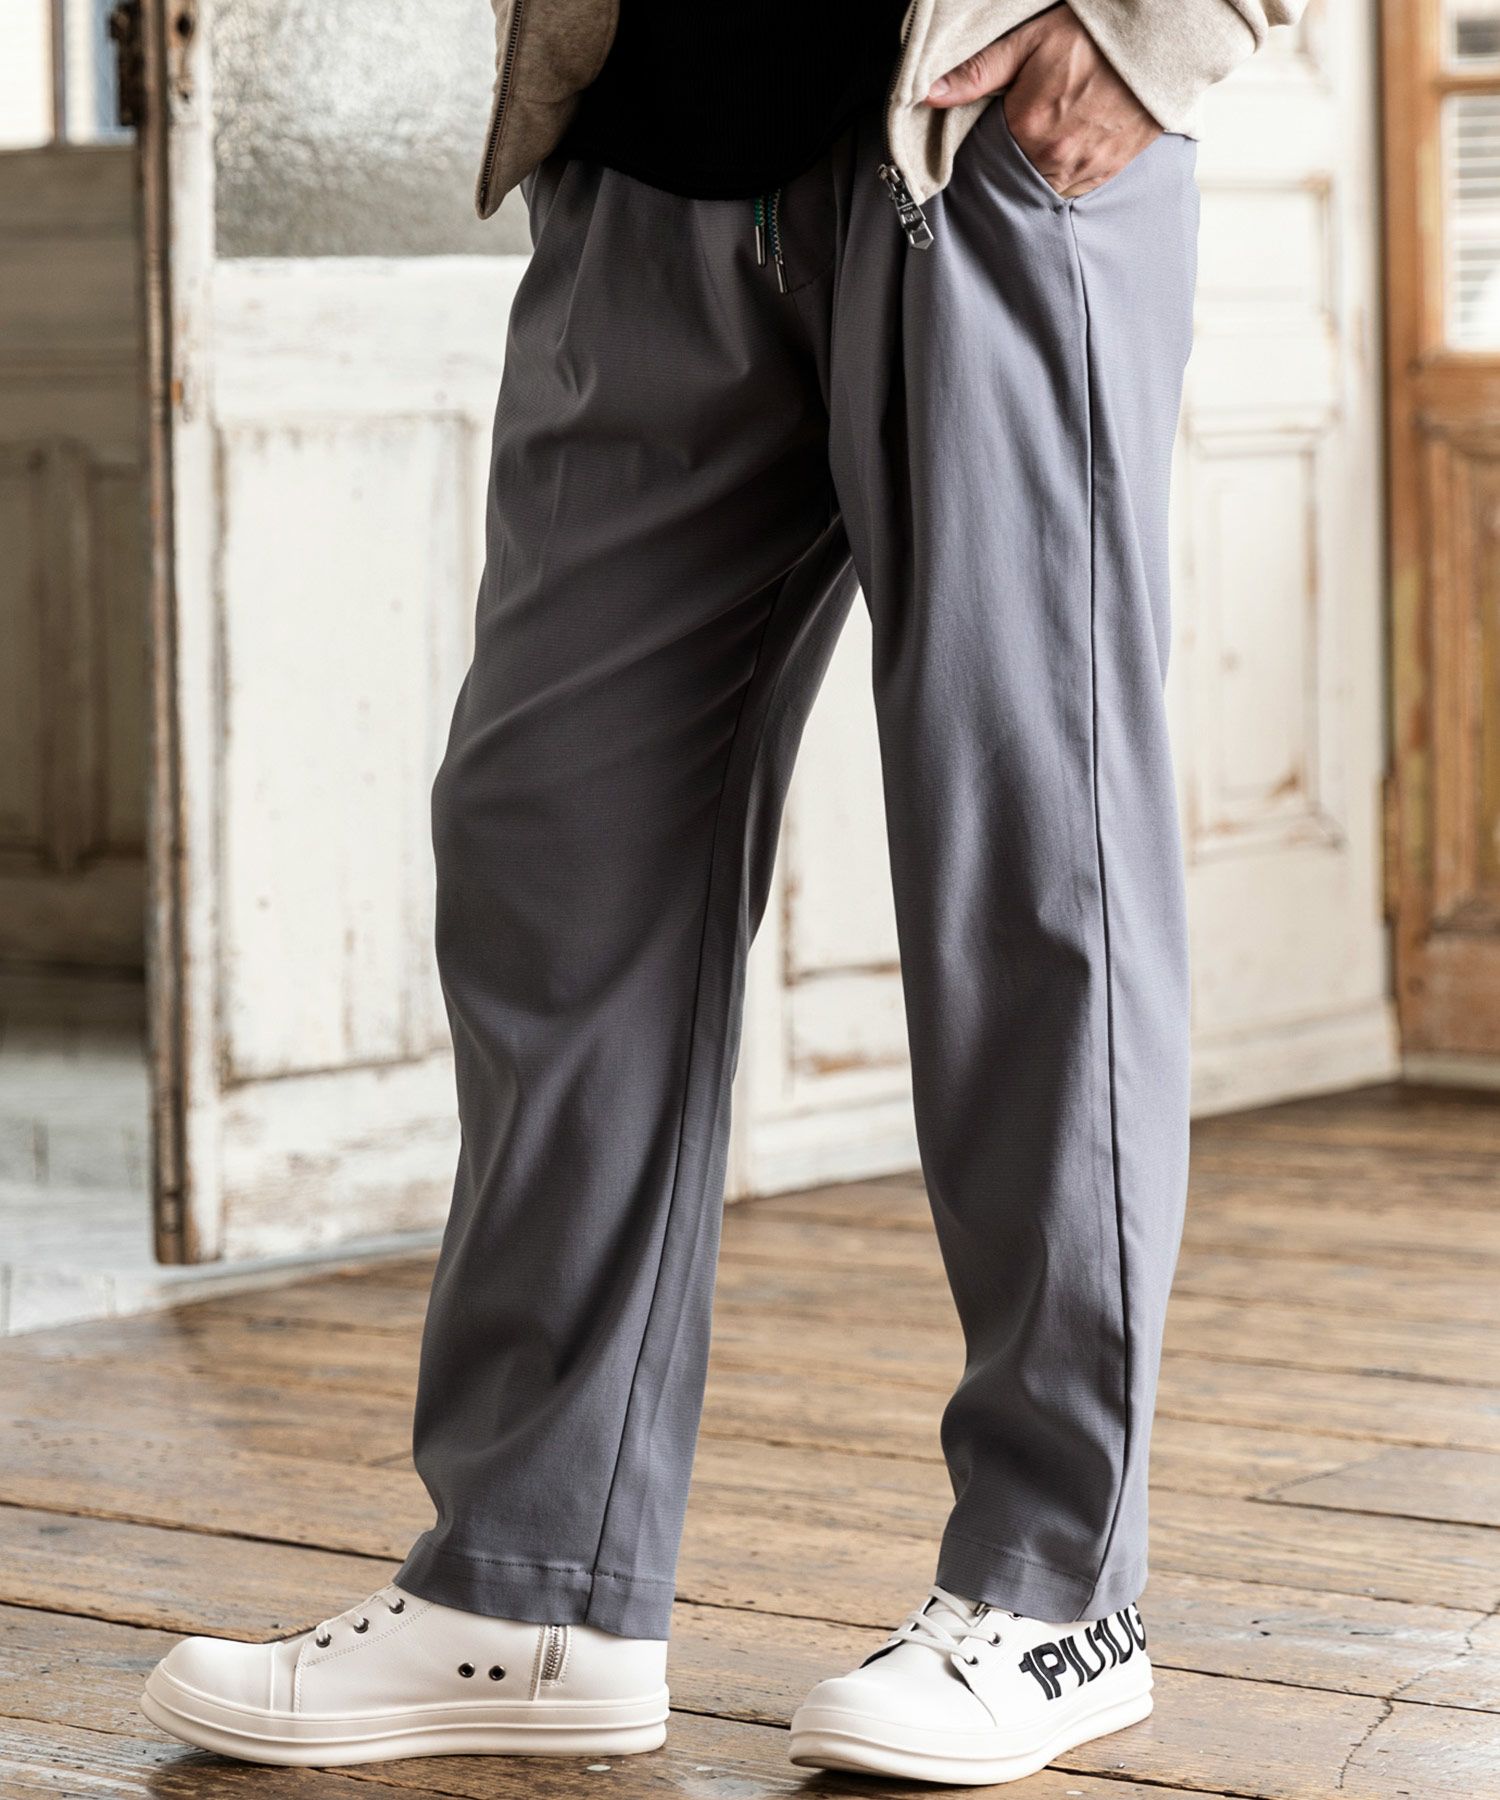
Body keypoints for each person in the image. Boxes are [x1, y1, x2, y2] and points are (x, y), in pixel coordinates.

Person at [142, 0, 1302, 1784]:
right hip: (652, 155)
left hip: (982, 133)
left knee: (1031, 856)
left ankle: (1057, 1585)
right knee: (552, 851)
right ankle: (533, 1587)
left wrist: (1166, 20)